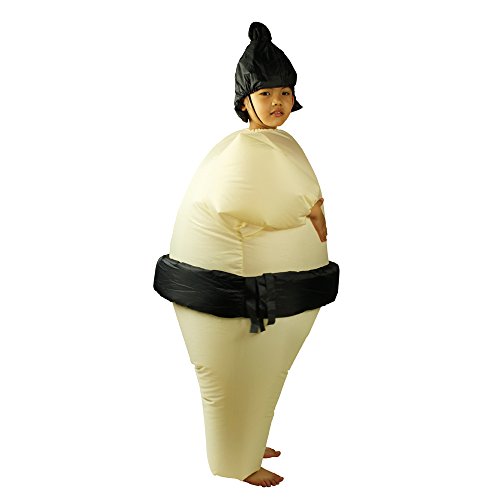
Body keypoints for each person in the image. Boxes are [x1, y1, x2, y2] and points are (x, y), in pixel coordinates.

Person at [153, 21, 339, 487]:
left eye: (285, 93)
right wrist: (308, 208)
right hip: (236, 297)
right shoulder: (242, 149)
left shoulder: (278, 142)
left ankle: (248, 441)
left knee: (260, 374)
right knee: (231, 381)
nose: (278, 102)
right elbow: (237, 198)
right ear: (244, 103)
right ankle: (234, 463)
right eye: (266, 94)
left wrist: (311, 208)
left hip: (272, 296)